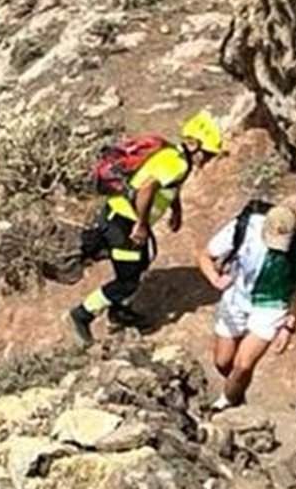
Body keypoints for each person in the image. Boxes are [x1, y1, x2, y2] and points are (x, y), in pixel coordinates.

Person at [70, 110, 226, 343]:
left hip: (121, 216)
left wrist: (176, 209)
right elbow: (148, 188)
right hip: (124, 224)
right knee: (127, 281)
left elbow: (168, 187)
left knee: (143, 261)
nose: (208, 159)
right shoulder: (178, 164)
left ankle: (120, 310)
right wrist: (141, 225)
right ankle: (83, 313)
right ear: (194, 146)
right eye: (207, 153)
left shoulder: (173, 157)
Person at [200, 198, 296, 412]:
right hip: (236, 297)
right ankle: (237, 393)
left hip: (271, 305)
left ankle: (226, 406)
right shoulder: (243, 228)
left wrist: (289, 325)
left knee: (243, 365)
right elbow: (205, 256)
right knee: (223, 362)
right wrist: (215, 279)